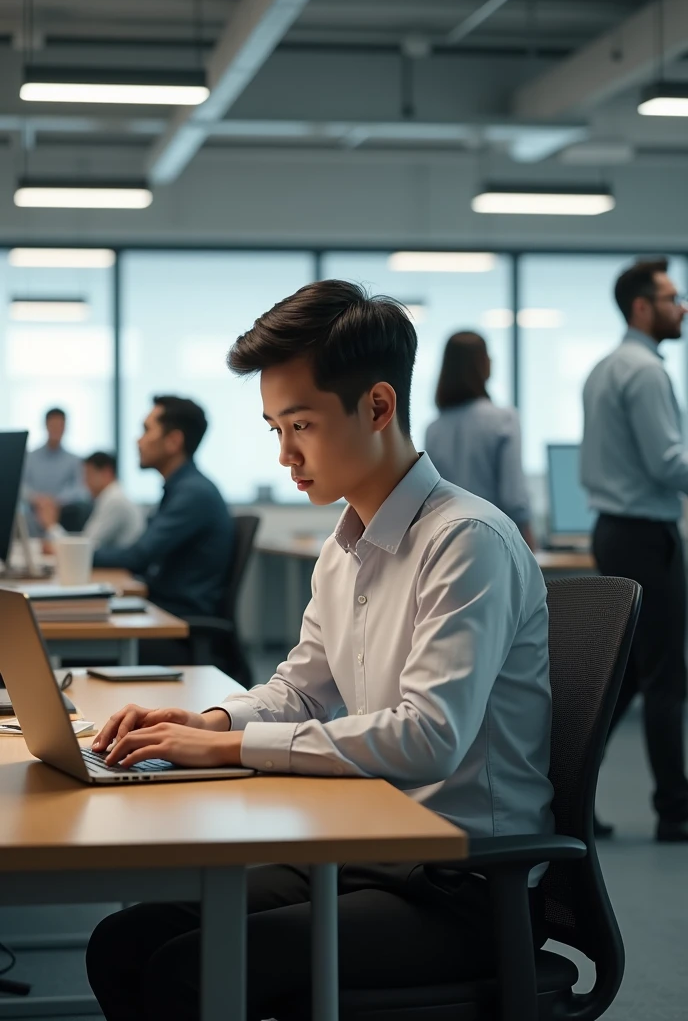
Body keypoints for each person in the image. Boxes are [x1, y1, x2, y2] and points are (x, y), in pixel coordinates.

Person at [85, 281, 554, 1021]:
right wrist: (211, 722)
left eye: (299, 425)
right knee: (124, 939)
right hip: (363, 850)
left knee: (186, 972)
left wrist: (237, 751)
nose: (285, 455)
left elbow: (428, 737)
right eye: (274, 428)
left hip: (458, 882)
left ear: (377, 406)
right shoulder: (344, 546)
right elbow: (299, 690)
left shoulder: (467, 541)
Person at [581, 258, 688, 843]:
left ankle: (567, 787)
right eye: (673, 298)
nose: (683, 307)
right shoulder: (645, 371)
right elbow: (666, 462)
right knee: (667, 674)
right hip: (646, 535)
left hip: (616, 531)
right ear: (643, 307)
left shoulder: (605, 367)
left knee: (629, 676)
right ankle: (676, 810)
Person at [93, 397, 234, 625]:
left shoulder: (193, 494)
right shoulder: (181, 489)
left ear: (173, 441)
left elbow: (138, 556)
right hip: (164, 611)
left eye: (147, 430)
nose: (138, 441)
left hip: (179, 623)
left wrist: (77, 556)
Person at [425, 331, 535, 550]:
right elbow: (514, 498)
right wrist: (531, 545)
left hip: (447, 545)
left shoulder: (433, 429)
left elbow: (430, 497)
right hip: (495, 543)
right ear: (483, 364)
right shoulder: (504, 420)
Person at [35, 452, 143, 550]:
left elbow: (85, 548)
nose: (84, 482)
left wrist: (51, 526)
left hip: (124, 570)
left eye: (88, 475)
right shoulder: (111, 497)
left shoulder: (114, 500)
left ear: (107, 473)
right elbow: (86, 540)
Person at [23, 408, 90, 529]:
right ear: (46, 426)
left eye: (60, 425)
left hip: (64, 515)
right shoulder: (29, 457)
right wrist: (38, 499)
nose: (56, 429)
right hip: (33, 514)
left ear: (65, 427)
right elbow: (21, 486)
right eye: (52, 425)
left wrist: (56, 501)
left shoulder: (74, 460)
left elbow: (81, 488)